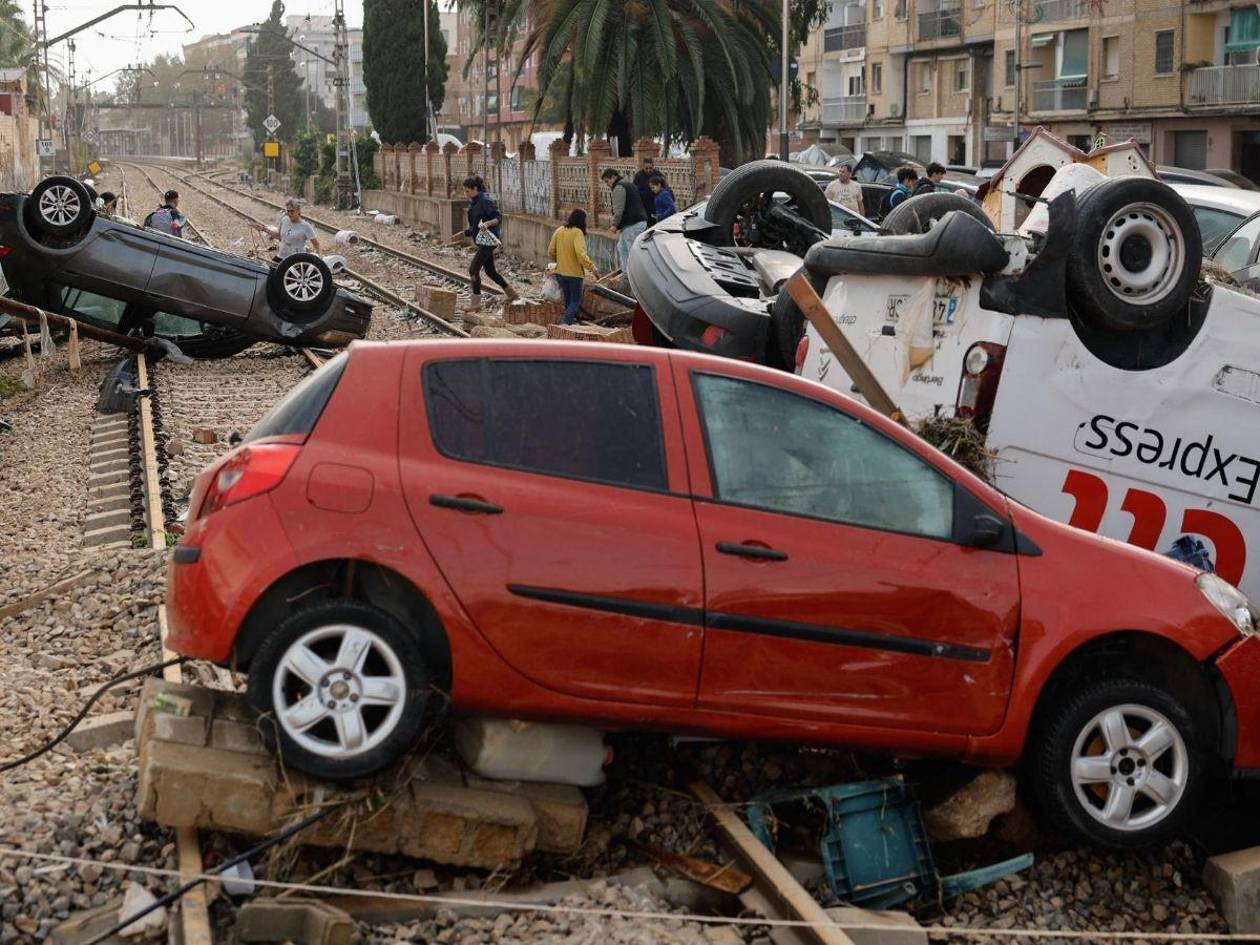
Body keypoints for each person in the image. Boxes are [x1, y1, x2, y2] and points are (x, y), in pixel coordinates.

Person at [447, 176, 519, 308]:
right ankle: (512, 294)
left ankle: (475, 303)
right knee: (490, 271)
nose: (466, 194)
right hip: (482, 241)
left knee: (473, 270)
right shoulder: (473, 204)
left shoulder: (484, 201)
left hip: (489, 241)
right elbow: (474, 228)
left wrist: (488, 223)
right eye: (464, 191)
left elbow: (498, 217)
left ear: (475, 188)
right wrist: (463, 234)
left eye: (468, 191)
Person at [547, 208, 599, 326]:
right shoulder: (577, 233)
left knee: (568, 300)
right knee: (575, 301)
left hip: (560, 273)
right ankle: (565, 324)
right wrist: (593, 268)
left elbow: (551, 250)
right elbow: (581, 255)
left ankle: (569, 323)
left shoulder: (560, 230)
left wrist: (559, 261)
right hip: (574, 275)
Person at [601, 168, 648, 272]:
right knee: (622, 247)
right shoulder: (628, 184)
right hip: (638, 222)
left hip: (632, 224)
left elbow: (619, 210)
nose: (607, 184)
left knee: (631, 251)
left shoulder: (619, 187)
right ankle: (626, 273)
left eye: (607, 181)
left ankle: (634, 274)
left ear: (613, 177)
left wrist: (614, 225)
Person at [250, 198, 321, 259]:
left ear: (298, 211)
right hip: (281, 256)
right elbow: (279, 236)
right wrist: (264, 229)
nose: (289, 214)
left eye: (292, 211)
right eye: (288, 211)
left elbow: (316, 244)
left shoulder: (306, 226)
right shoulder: (284, 220)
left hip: (295, 261)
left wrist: (315, 260)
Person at [632, 155, 658, 225]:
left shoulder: (657, 174)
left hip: (656, 207)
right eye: (646, 168)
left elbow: (664, 188)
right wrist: (650, 192)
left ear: (653, 166)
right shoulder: (638, 176)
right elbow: (635, 193)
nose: (648, 170)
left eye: (650, 168)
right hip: (644, 208)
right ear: (643, 166)